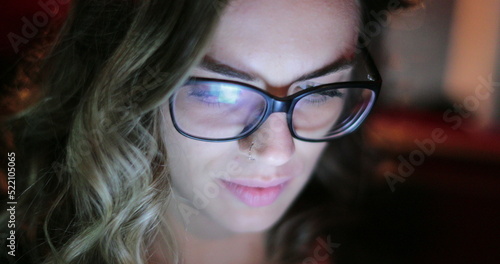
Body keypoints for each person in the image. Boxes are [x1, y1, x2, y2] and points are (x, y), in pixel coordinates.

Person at [1, 0, 420, 263]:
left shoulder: (384, 237)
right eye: (219, 93)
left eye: (317, 92)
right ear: (124, 86)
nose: (277, 151)